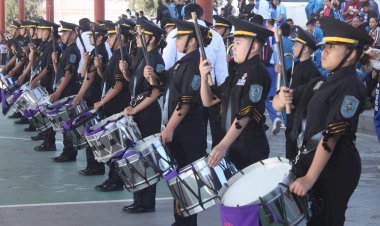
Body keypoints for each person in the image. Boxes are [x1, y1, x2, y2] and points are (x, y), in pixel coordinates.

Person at [273, 16, 373, 225]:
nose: (325, 51)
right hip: (311, 161)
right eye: (326, 45)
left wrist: (309, 178)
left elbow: (331, 135)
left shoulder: (352, 86)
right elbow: (279, 103)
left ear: (352, 53)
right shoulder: (321, 82)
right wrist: (281, 99)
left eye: (333, 46)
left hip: (335, 168)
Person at [200, 16, 272, 171]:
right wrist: (204, 78)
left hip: (249, 146)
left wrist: (223, 145)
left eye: (238, 43)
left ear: (253, 47)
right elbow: (208, 101)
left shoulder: (257, 72)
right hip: (234, 144)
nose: (233, 47)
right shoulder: (237, 71)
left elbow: (246, 113)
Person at [161, 18, 210, 226]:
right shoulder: (183, 62)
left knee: (186, 179)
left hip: (188, 133)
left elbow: (186, 100)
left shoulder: (193, 64)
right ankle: (180, 220)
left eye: (180, 36)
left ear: (192, 41)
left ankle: (186, 223)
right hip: (180, 131)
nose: (177, 40)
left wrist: (170, 127)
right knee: (179, 178)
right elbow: (171, 90)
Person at [119, 18, 166, 214]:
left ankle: (147, 202)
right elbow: (137, 86)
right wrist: (126, 73)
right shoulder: (142, 57)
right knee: (136, 157)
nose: (137, 37)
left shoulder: (155, 59)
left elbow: (156, 91)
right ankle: (139, 199)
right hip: (138, 114)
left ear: (152, 39)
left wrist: (134, 110)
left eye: (141, 35)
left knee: (146, 158)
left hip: (148, 115)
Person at [92, 20, 132, 192]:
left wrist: (101, 102)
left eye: (111, 36)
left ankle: (116, 180)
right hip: (110, 104)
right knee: (111, 145)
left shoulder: (122, 57)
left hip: (116, 105)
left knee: (116, 146)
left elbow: (118, 86)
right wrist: (100, 68)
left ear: (120, 37)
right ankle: (112, 178)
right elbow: (106, 79)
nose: (108, 39)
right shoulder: (114, 55)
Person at [274, 26, 322, 160]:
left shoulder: (312, 71)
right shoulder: (297, 65)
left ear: (305, 49)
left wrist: (295, 98)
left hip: (301, 118)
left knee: (296, 153)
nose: (293, 47)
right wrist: (280, 69)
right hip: (291, 116)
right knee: (290, 148)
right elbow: (288, 76)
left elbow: (312, 93)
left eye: (296, 44)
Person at [74, 23, 109, 176]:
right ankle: (92, 165)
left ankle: (96, 166)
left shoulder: (99, 53)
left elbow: (90, 76)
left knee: (92, 132)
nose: (89, 38)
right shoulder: (95, 51)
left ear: (100, 37)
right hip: (91, 97)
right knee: (90, 132)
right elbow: (84, 74)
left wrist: (79, 95)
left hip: (94, 96)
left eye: (92, 35)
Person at [50, 21, 82, 162]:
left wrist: (58, 93)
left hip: (68, 91)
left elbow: (68, 74)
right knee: (65, 124)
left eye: (65, 33)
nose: (62, 35)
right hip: (62, 90)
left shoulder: (73, 51)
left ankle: (69, 153)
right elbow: (61, 73)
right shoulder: (66, 50)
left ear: (73, 35)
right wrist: (56, 63)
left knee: (68, 123)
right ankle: (67, 151)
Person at [31, 19, 61, 151]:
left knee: (48, 113)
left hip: (49, 83)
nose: (39, 32)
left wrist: (36, 79)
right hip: (44, 83)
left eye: (42, 30)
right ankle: (46, 138)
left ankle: (50, 143)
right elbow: (36, 61)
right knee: (44, 112)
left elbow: (49, 67)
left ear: (49, 32)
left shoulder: (54, 47)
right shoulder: (45, 45)